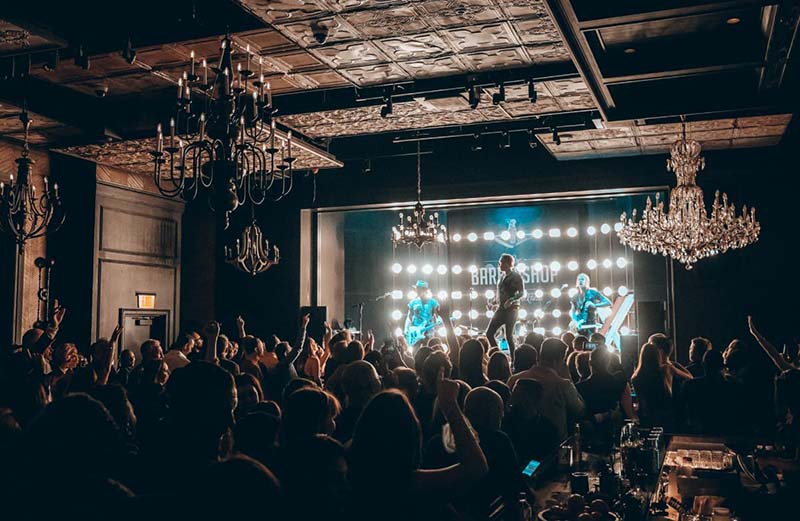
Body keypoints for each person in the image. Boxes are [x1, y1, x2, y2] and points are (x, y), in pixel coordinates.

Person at [347, 375, 488, 520]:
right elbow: (476, 467)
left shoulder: (350, 480)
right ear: (408, 434)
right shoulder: (406, 485)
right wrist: (450, 406)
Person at [507, 338, 585, 439]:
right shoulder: (562, 385)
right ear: (557, 360)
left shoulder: (515, 379)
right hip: (554, 445)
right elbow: (580, 410)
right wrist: (568, 378)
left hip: (519, 441)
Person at [485, 253, 525, 359]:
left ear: (507, 264)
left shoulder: (516, 276)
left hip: (511, 310)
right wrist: (493, 302)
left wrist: (511, 300)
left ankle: (513, 359)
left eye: (501, 263)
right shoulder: (502, 277)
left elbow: (521, 293)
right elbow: (500, 294)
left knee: (509, 336)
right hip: (501, 309)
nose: (499, 265)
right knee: (489, 333)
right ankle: (499, 355)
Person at [631, 343, 674, 428]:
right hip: (664, 413)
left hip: (646, 414)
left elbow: (641, 400)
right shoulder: (663, 372)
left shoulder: (636, 378)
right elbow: (668, 394)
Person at [404, 280, 441, 347]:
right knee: (415, 351)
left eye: (419, 289)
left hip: (428, 331)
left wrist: (438, 323)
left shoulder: (433, 302)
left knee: (428, 349)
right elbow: (409, 317)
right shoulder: (413, 302)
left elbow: (437, 315)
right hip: (416, 331)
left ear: (424, 290)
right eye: (417, 289)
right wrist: (407, 329)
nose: (417, 291)